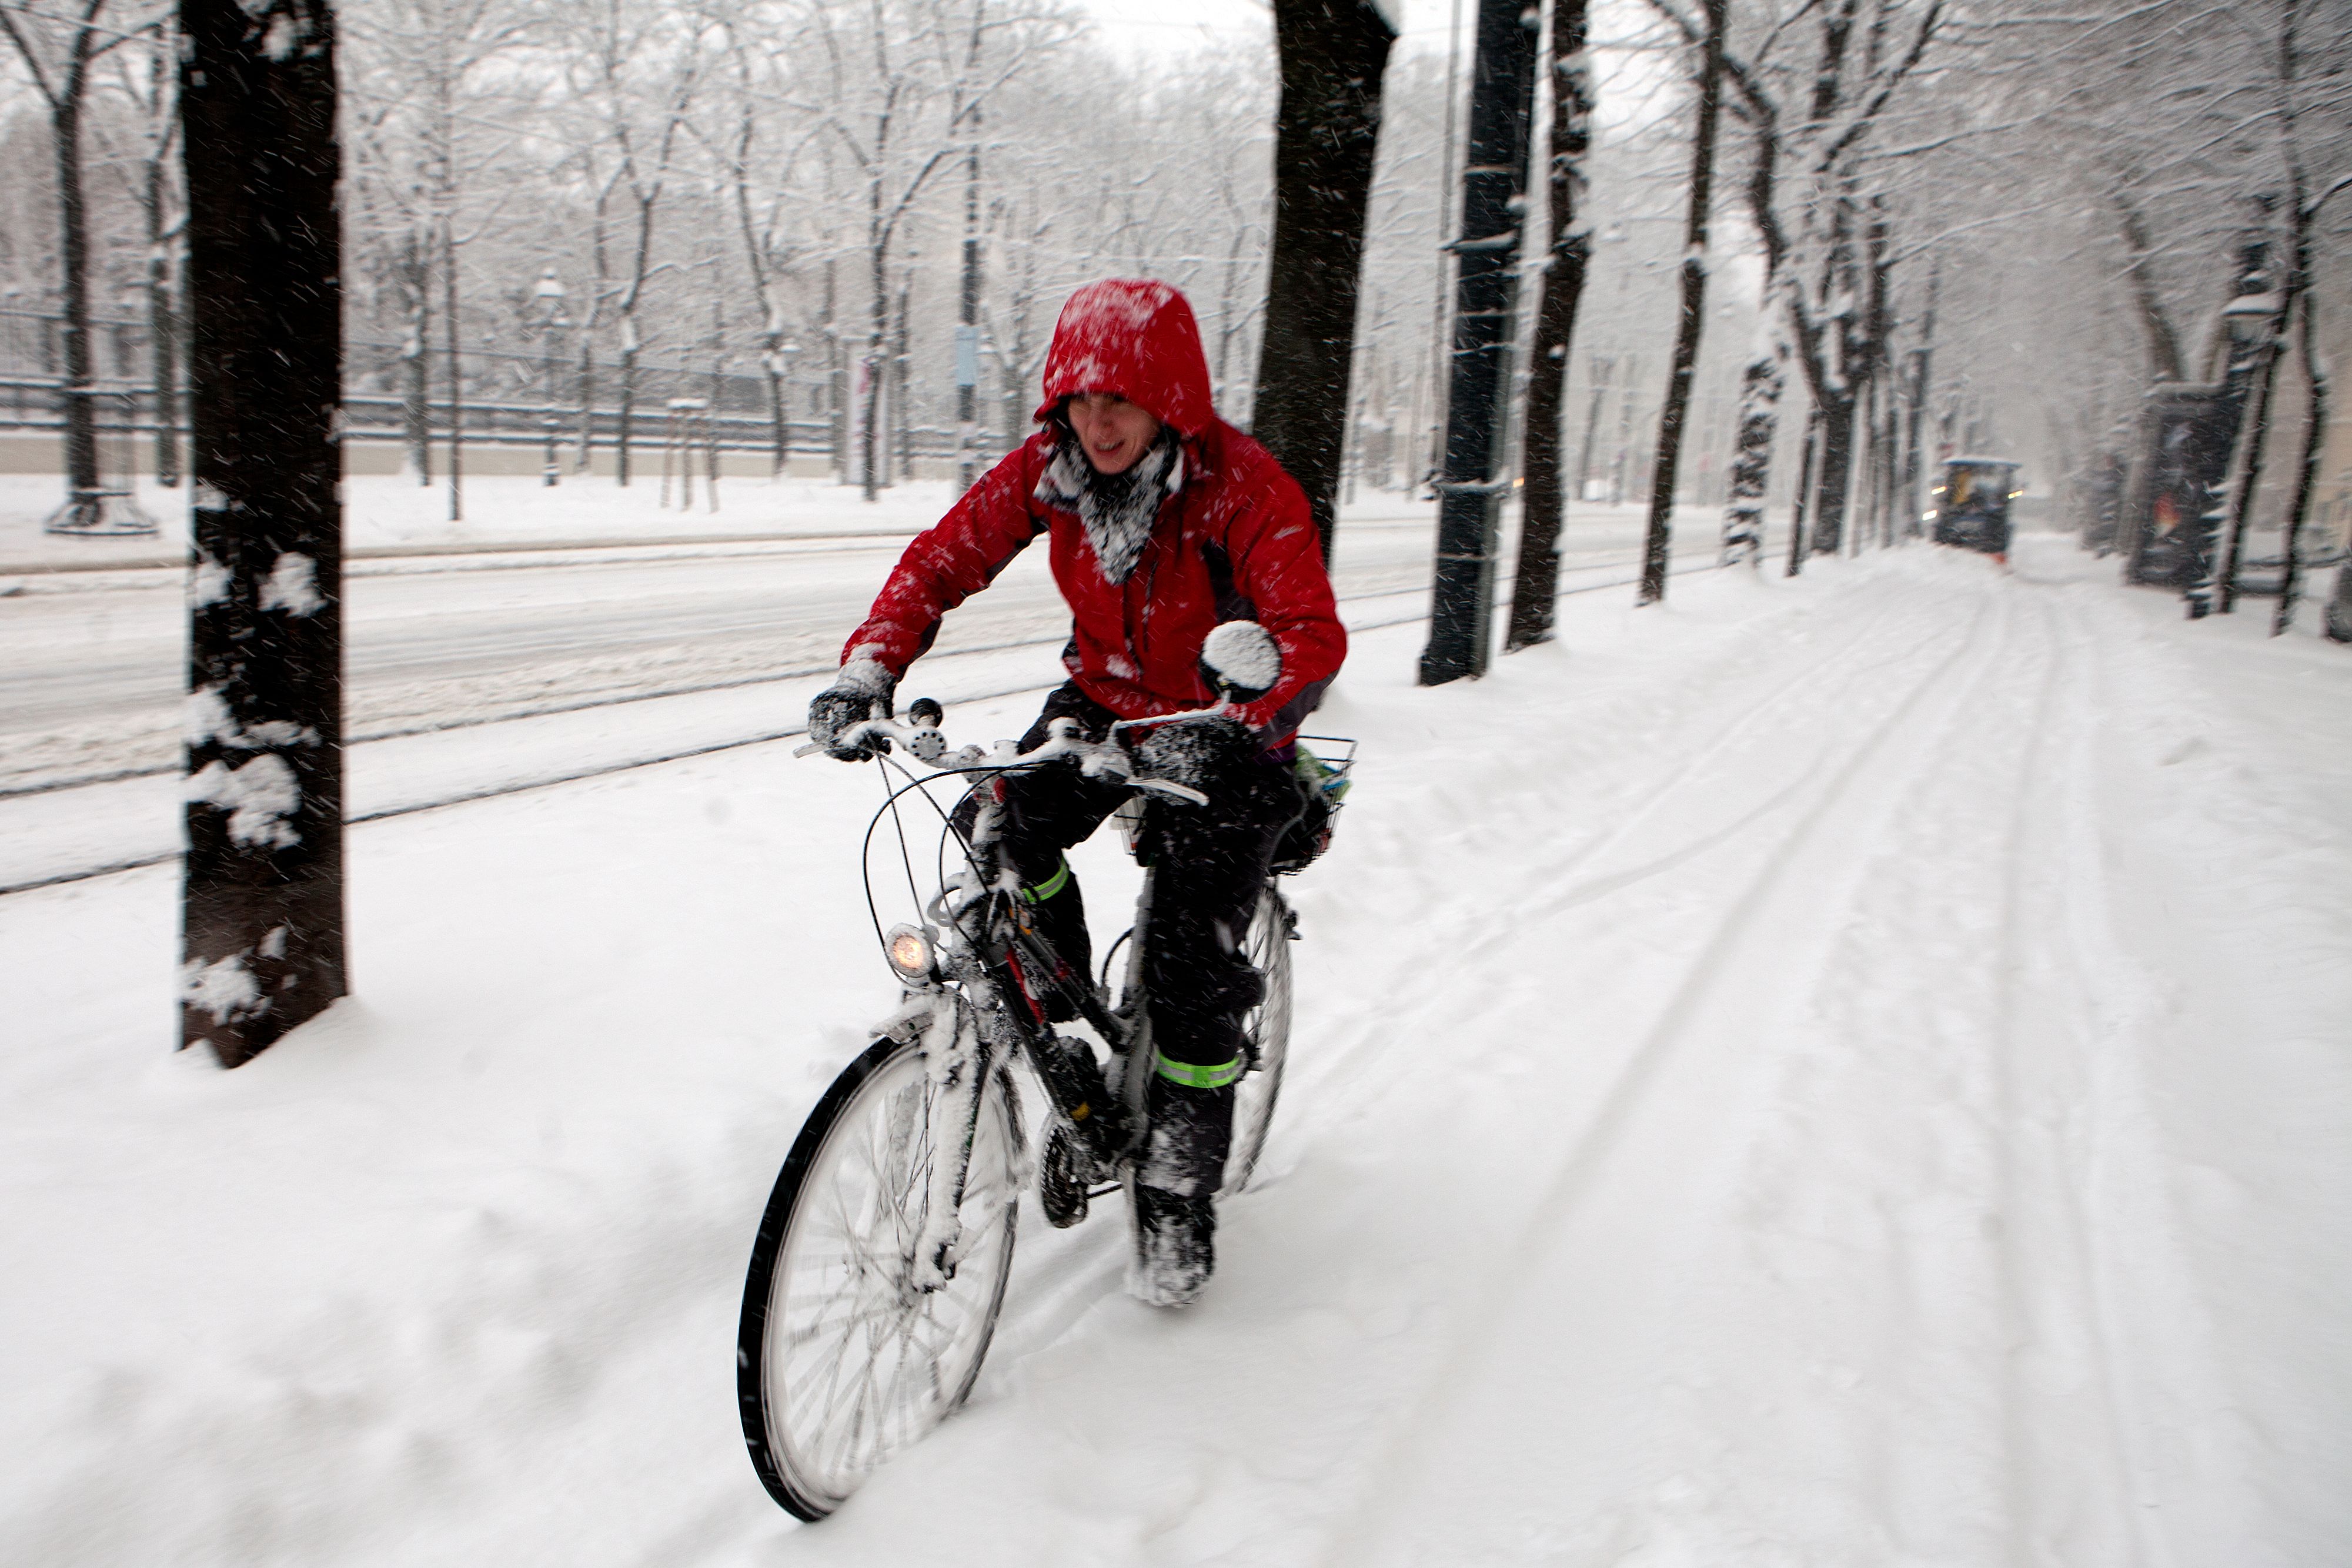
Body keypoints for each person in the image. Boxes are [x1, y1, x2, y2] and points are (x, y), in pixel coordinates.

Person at [806, 278, 1346, 1307]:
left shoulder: (1242, 486)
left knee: (1191, 965)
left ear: (1170, 404)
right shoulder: (1047, 475)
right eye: (1080, 401)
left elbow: (1308, 629)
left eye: (1123, 401)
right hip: (1103, 699)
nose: (1098, 422)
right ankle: (1065, 1015)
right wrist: (869, 667)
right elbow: (941, 561)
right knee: (995, 830)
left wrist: (1252, 710)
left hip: (1224, 727)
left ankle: (1179, 1190)